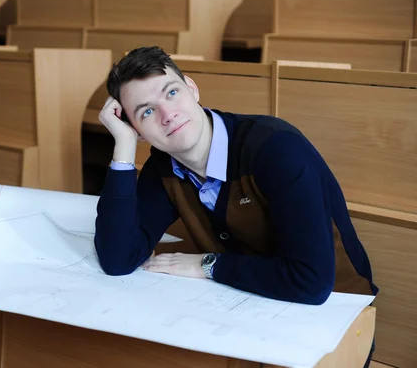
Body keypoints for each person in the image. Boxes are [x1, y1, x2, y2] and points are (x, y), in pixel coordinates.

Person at [94, 46, 377, 365]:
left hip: (332, 314)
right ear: (137, 130)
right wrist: (123, 147)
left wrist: (207, 265)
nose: (167, 114)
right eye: (146, 112)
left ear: (192, 88)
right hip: (247, 307)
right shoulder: (163, 168)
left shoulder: (276, 149)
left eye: (171, 92)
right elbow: (117, 258)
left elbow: (311, 282)